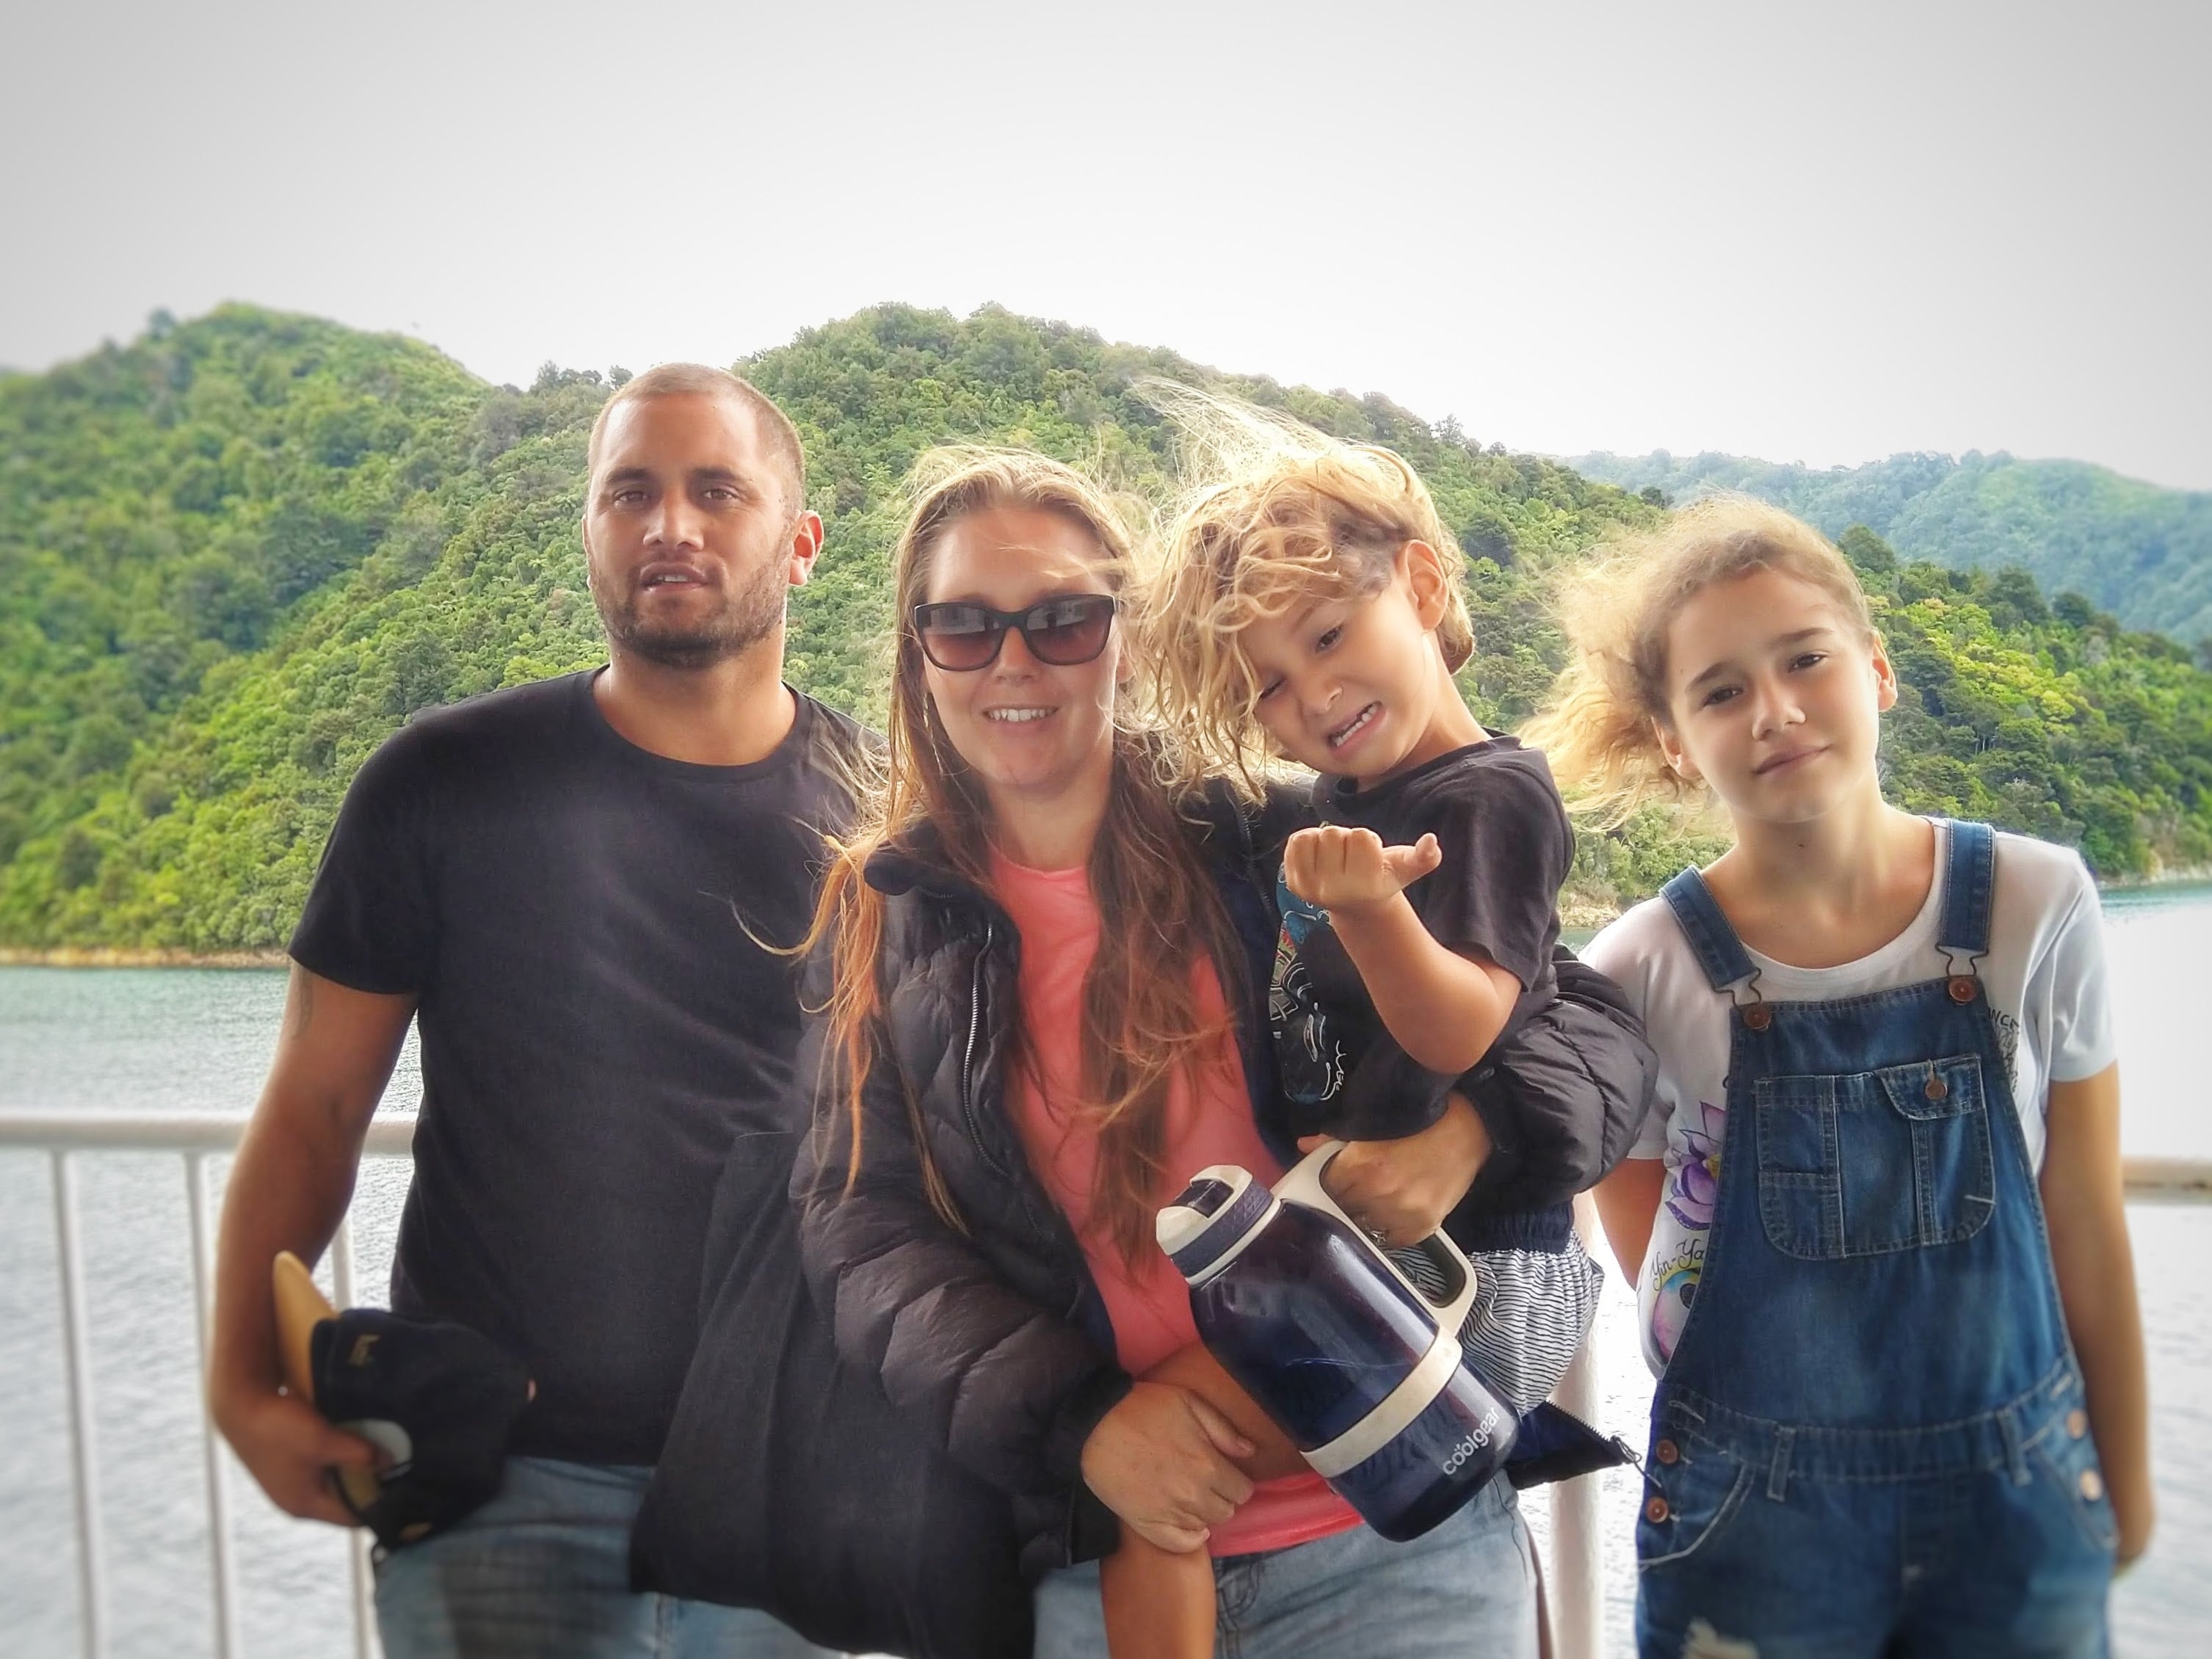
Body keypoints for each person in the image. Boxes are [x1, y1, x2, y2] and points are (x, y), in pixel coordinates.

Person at [791, 444, 1551, 1659]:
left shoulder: (1276, 838)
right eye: (964, 627)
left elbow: (1571, 1008)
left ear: (1125, 638)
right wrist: (1086, 1427)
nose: (1015, 660)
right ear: (916, 652)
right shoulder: (893, 909)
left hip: (1390, 1537)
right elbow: (859, 1230)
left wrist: (1478, 1131)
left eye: (1063, 619)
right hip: (1097, 1558)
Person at [208, 363, 860, 1658]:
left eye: (715, 490)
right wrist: (239, 1384)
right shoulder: (443, 781)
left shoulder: (884, 815)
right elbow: (316, 1105)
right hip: (499, 1487)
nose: (668, 524)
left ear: (798, 546)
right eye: (630, 492)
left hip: (781, 1489)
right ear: (589, 534)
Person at [1529, 495, 2154, 1657]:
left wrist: (2123, 1484)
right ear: (1673, 739)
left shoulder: (2035, 901)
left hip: (2016, 1505)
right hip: (1750, 1527)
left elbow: (2082, 1216)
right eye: (1718, 690)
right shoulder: (1639, 967)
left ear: (1876, 671)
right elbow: (1647, 1235)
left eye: (1804, 659)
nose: (1772, 709)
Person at [1128, 393, 1626, 1659]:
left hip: (1483, 1274)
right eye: (1270, 689)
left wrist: (1371, 918)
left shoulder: (1489, 796)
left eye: (1332, 634)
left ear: (1418, 579)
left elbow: (1466, 1025)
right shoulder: (1346, 800)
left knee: (1155, 1457)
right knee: (1162, 1463)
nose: (1315, 695)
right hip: (1383, 1251)